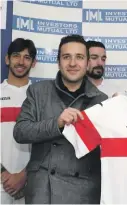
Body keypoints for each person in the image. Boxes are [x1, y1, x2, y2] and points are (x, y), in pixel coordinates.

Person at [13, 34, 108, 204]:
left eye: (79, 57)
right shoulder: (38, 91)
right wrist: (57, 123)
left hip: (84, 194)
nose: (72, 63)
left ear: (87, 63)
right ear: (58, 62)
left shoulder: (102, 100)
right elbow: (20, 132)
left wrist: (120, 112)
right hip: (43, 193)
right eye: (66, 57)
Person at [1, 38, 36, 204]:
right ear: (7, 59)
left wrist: (24, 175)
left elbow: (47, 143)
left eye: (27, 57)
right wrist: (3, 174)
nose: (21, 62)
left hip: (32, 184)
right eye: (16, 56)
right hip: (2, 183)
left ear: (33, 63)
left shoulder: (40, 97)